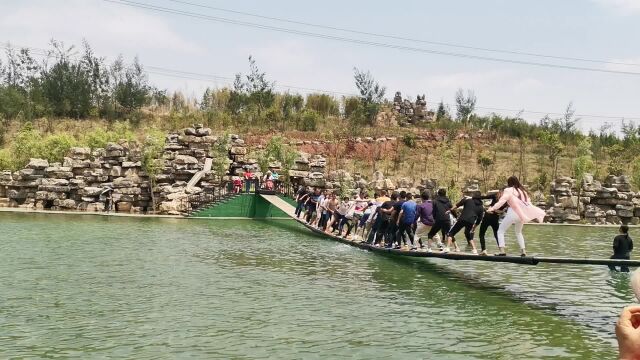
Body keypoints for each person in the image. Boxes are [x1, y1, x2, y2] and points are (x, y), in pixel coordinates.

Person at [487, 176, 545, 257]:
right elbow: (528, 204)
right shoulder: (523, 191)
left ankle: (502, 251)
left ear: (509, 183)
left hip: (512, 212)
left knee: (500, 231)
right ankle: (523, 251)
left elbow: (501, 201)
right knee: (518, 232)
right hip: (521, 214)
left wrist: (492, 208)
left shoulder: (508, 190)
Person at [476, 191, 505, 256]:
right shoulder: (505, 200)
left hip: (487, 217)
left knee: (481, 234)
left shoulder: (496, 195)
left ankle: (484, 250)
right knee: (497, 235)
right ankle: (501, 251)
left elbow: (484, 197)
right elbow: (502, 211)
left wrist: (475, 197)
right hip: (495, 218)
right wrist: (499, 211)